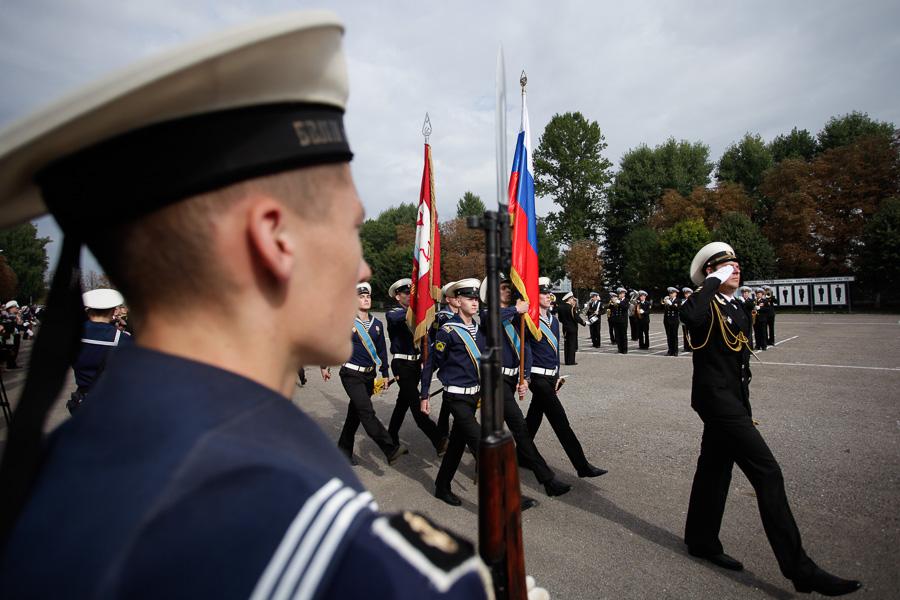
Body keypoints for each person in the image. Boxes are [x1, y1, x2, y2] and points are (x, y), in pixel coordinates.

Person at [0, 13, 494, 598]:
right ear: (274, 239)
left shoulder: (56, 464)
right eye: (351, 228)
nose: (364, 269)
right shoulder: (338, 560)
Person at [680, 242, 861, 596]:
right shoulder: (705, 304)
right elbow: (690, 317)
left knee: (714, 469)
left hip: (734, 402)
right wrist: (711, 283)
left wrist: (744, 406)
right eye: (725, 266)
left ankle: (701, 539)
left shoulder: (736, 306)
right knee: (768, 472)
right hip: (718, 403)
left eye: (736, 264)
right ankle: (800, 569)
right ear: (710, 272)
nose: (735, 269)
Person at [481, 276, 571, 498]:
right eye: (503, 289)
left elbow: (526, 349)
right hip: (494, 379)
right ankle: (547, 479)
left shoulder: (515, 317)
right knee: (519, 426)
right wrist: (516, 309)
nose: (508, 291)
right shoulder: (489, 314)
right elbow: (491, 321)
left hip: (512, 379)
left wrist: (526, 378)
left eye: (508, 288)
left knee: (488, 428)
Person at [526, 277, 607, 480]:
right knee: (561, 421)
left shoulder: (552, 320)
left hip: (549, 376)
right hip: (537, 377)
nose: (549, 296)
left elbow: (554, 352)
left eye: (549, 293)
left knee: (533, 419)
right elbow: (524, 350)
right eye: (544, 293)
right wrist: (525, 376)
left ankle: (520, 455)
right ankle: (582, 465)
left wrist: (556, 375)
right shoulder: (528, 321)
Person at [420, 279, 485, 506]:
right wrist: (425, 394)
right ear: (457, 301)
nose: (474, 302)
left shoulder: (479, 329)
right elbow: (431, 364)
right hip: (456, 396)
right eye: (469, 298)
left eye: (476, 298)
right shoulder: (448, 330)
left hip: (473, 395)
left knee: (456, 445)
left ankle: (441, 486)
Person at [330, 282, 408, 466]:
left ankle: (343, 452)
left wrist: (384, 373)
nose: (365, 299)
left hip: (369, 376)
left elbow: (382, 351)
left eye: (368, 296)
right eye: (361, 296)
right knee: (366, 411)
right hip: (350, 374)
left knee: (354, 415)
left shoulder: (377, 324)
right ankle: (389, 448)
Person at [385, 277, 447, 455]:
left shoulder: (417, 315)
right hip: (401, 364)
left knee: (402, 403)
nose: (410, 296)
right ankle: (438, 440)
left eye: (411, 293)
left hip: (416, 364)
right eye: (406, 293)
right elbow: (397, 318)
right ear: (397, 296)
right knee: (415, 402)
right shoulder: (394, 312)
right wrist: (419, 308)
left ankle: (391, 437)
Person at [67, 288, 133, 414]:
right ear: (114, 311)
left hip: (82, 397)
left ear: (89, 309)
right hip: (111, 400)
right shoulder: (122, 339)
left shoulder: (73, 335)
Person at [557, 291, 584, 365]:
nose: (573, 300)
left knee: (566, 345)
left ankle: (566, 360)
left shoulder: (560, 307)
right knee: (572, 345)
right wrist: (583, 323)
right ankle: (571, 361)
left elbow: (560, 319)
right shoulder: (570, 308)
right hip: (572, 328)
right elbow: (576, 317)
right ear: (569, 299)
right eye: (572, 299)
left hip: (565, 328)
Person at [608, 287, 629, 354]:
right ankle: (619, 349)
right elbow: (610, 309)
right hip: (616, 320)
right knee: (618, 335)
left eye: (621, 293)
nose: (620, 295)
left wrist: (619, 302)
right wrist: (611, 304)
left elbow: (625, 307)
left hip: (623, 321)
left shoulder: (626, 300)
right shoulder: (616, 300)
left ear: (624, 294)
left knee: (623, 335)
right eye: (619, 293)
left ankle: (624, 350)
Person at [662, 286, 680, 356]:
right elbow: (666, 311)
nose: (671, 294)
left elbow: (677, 309)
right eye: (670, 293)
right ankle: (670, 350)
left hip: (674, 320)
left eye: (672, 293)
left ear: (676, 293)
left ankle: (675, 351)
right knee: (669, 336)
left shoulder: (678, 300)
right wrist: (667, 303)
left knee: (674, 336)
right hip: (667, 320)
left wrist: (671, 304)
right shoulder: (667, 300)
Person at [681, 287, 693, 353]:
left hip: (691, 320)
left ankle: (692, 347)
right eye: (685, 294)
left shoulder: (693, 301)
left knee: (692, 334)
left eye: (688, 293)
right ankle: (686, 347)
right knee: (685, 334)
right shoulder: (683, 301)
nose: (686, 295)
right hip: (684, 321)